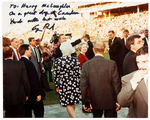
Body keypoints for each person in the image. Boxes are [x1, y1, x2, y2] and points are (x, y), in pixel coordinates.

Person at [80, 41, 121, 118]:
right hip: (110, 100)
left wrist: (84, 102)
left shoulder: (86, 65)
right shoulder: (112, 64)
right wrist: (118, 101)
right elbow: (116, 84)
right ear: (105, 50)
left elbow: (83, 86)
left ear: (93, 50)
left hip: (94, 101)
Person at [117, 46, 148, 118]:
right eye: (138, 62)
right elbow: (122, 102)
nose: (140, 66)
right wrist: (134, 82)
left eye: (144, 62)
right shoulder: (128, 79)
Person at [54, 42, 81, 118]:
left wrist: (57, 85)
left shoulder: (57, 61)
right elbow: (79, 73)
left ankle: (73, 117)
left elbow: (57, 75)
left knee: (67, 103)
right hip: (74, 83)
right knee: (72, 102)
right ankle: (72, 117)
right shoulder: (75, 60)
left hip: (63, 83)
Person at [3, 46, 30, 117]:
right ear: (12, 53)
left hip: (6, 97)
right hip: (20, 96)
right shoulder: (20, 64)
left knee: (9, 114)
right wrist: (27, 93)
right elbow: (25, 80)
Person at [19, 44, 45, 117]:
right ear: (26, 51)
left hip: (25, 95)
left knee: (27, 114)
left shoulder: (19, 62)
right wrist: (38, 93)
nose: (31, 51)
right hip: (33, 95)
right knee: (39, 113)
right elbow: (34, 79)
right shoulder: (29, 63)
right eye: (30, 50)